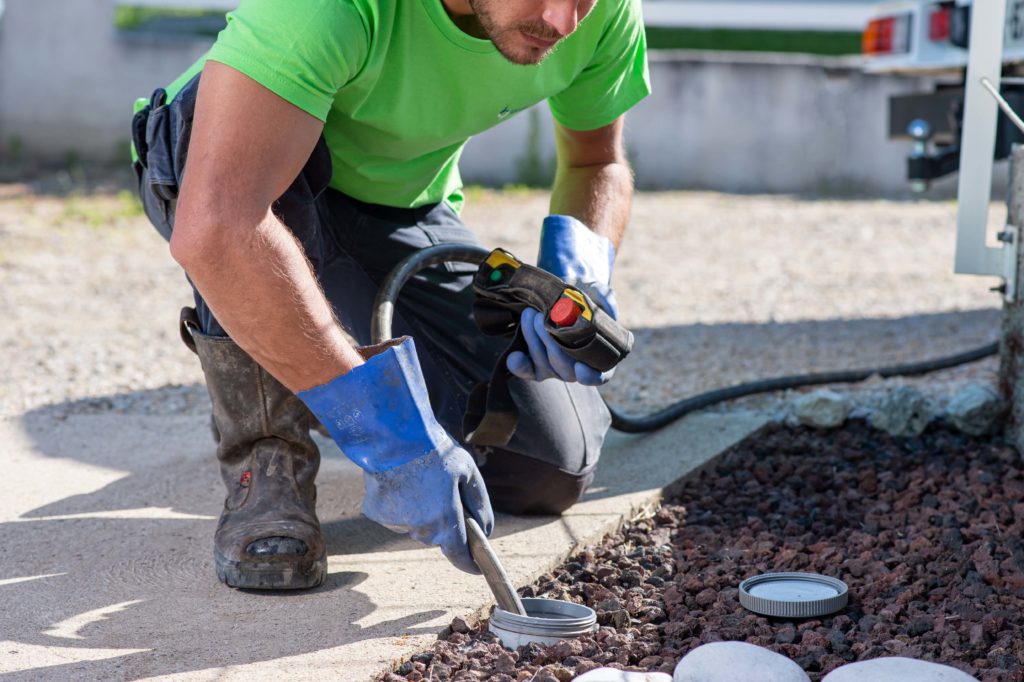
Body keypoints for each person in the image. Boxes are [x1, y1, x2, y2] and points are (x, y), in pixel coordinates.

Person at [130, 0, 650, 590]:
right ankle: (267, 457)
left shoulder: (602, 12)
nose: (563, 22)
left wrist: (574, 284)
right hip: (241, 176)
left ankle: (316, 372)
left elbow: (597, 160)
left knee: (550, 465)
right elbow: (219, 229)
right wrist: (382, 431)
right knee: (239, 212)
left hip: (397, 205)